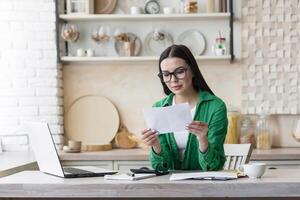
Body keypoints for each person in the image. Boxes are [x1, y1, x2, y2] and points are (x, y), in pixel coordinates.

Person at [141, 44, 228, 171]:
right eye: (166, 74)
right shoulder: (159, 108)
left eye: (180, 72)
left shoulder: (215, 107)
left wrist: (203, 140)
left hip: (205, 184)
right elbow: (160, 167)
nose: (173, 80)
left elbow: (213, 166)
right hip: (169, 186)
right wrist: (156, 145)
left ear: (192, 70)